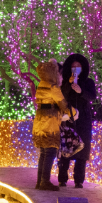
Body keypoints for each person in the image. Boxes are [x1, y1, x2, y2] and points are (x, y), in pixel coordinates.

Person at [58, 53, 97, 188]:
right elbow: (61, 95)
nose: (75, 68)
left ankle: (79, 180)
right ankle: (62, 178)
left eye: (78, 66)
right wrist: (68, 84)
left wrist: (81, 91)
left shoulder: (88, 82)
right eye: (73, 66)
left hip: (84, 119)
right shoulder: (64, 81)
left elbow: (92, 97)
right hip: (68, 118)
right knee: (66, 147)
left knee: (82, 149)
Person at [32, 58, 71, 191]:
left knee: (44, 152)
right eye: (59, 73)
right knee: (50, 151)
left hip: (40, 119)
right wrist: (70, 111)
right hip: (50, 122)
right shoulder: (53, 87)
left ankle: (40, 181)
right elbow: (62, 103)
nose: (61, 75)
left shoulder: (42, 83)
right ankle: (44, 182)